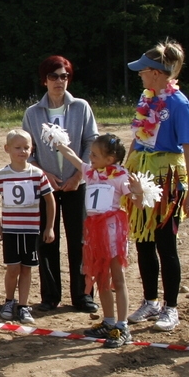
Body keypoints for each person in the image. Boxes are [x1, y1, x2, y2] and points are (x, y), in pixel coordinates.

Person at [127, 41, 189, 332]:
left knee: (165, 245)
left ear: (157, 73)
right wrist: (125, 167)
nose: (140, 76)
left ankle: (171, 307)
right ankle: (150, 300)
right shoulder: (146, 98)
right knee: (143, 241)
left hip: (167, 179)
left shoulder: (179, 104)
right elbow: (138, 136)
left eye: (143, 71)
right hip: (142, 176)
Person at [49, 130, 143, 347]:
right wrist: (59, 143)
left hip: (112, 233)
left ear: (110, 160)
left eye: (95, 155)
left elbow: (136, 203)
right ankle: (108, 322)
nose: (90, 158)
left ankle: (122, 326)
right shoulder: (90, 172)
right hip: (94, 233)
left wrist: (138, 192)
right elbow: (72, 157)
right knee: (100, 278)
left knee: (116, 279)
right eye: (90, 154)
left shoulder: (120, 176)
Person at [22, 55, 99, 313]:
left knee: (81, 240)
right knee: (46, 239)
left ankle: (84, 295)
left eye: (64, 76)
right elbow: (27, 151)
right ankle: (50, 296)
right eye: (54, 76)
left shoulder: (81, 107)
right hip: (46, 187)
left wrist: (79, 175)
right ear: (44, 80)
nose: (59, 81)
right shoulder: (32, 113)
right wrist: (43, 174)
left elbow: (91, 142)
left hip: (78, 184)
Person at [0, 129, 56, 325]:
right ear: (7, 149)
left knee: (27, 269)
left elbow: (50, 200)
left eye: (26, 147)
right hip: (10, 230)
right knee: (12, 268)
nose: (22, 151)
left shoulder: (38, 174)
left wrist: (49, 227)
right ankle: (9, 301)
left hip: (31, 230)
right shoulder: (1, 175)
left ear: (32, 149)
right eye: (17, 148)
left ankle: (24, 305)